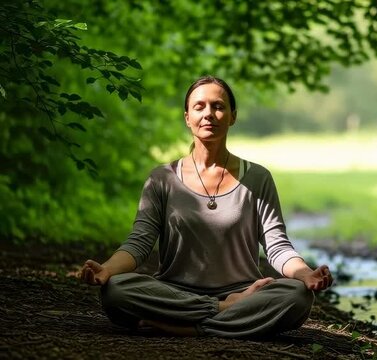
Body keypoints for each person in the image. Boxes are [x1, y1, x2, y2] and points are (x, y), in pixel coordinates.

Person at [77, 75, 333, 337]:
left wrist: (305, 274)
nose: (209, 114)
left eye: (218, 106)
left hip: (245, 292)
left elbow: (277, 247)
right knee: (116, 289)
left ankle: (182, 327)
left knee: (298, 296)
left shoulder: (258, 178)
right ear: (187, 117)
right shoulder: (161, 178)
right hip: (174, 293)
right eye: (199, 107)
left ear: (233, 116)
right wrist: (107, 269)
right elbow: (139, 243)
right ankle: (224, 313)